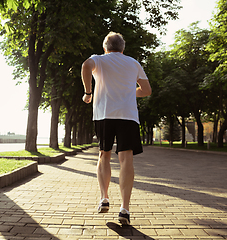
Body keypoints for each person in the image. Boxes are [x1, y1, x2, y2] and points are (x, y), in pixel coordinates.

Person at [81, 32, 152, 225]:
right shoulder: (133, 63)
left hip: (104, 114)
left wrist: (88, 92)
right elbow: (146, 90)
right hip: (128, 115)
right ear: (123, 48)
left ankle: (104, 198)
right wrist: (128, 92)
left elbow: (86, 65)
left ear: (105, 47)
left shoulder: (99, 59)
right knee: (126, 158)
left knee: (104, 154)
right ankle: (125, 209)